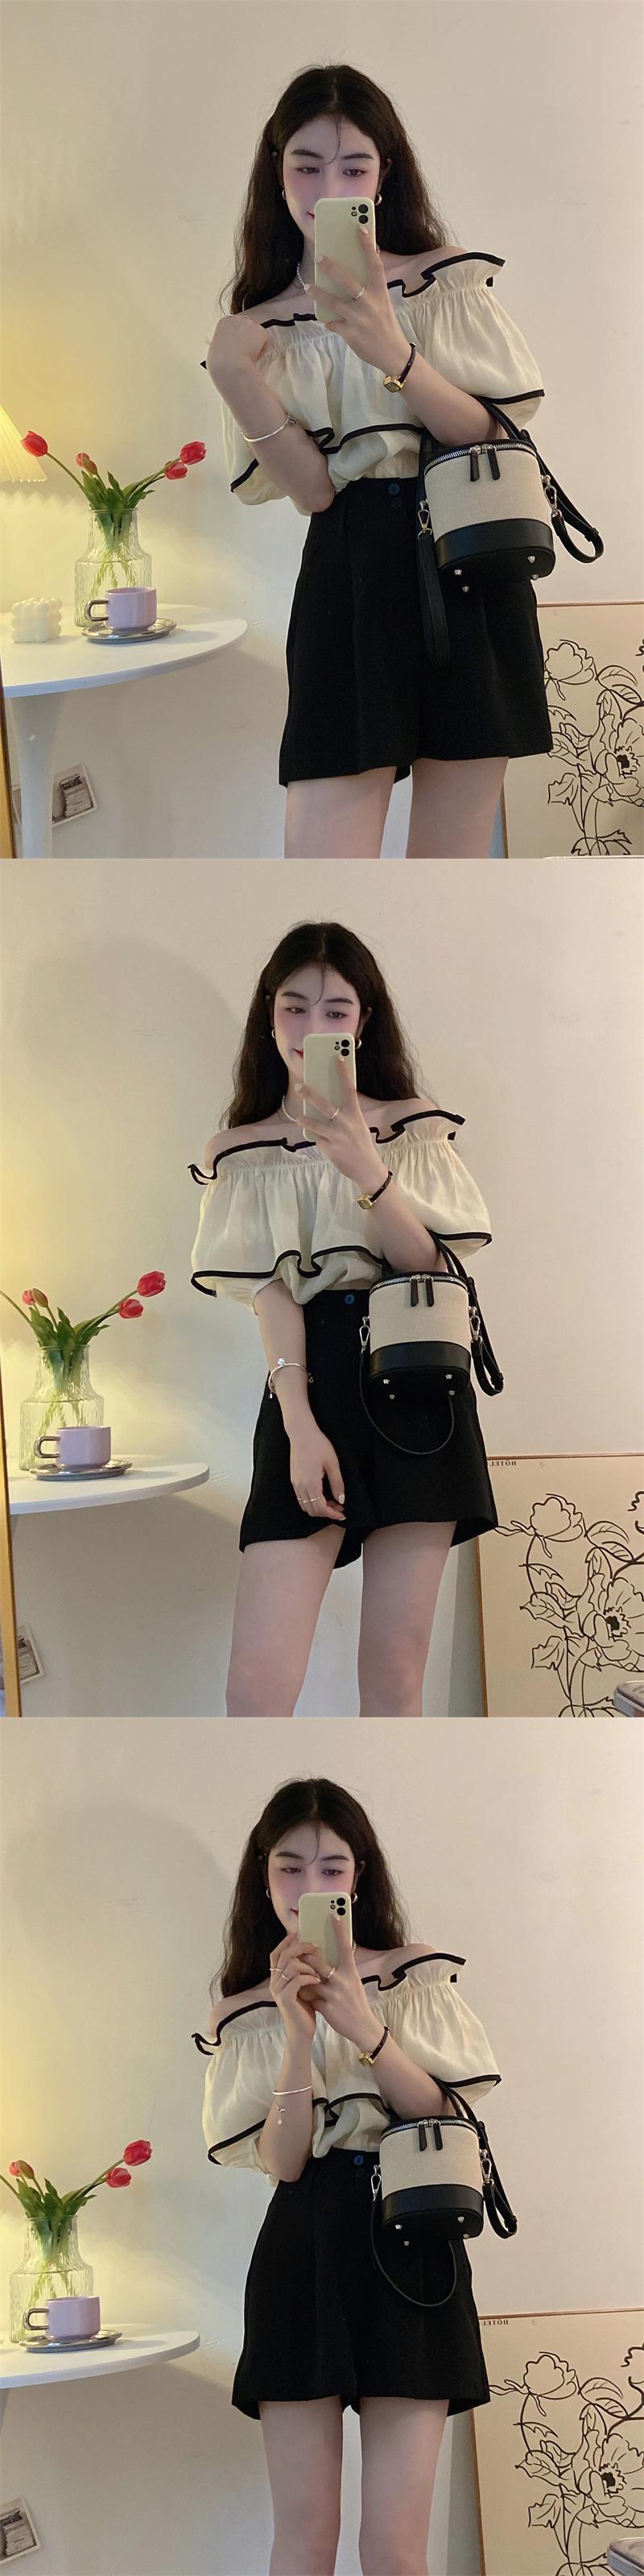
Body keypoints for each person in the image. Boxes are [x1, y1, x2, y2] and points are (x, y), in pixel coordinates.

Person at [204, 61, 552, 859]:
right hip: (347, 574)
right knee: (322, 870)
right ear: (275, 172)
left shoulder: (441, 283)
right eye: (307, 165)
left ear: (384, 174)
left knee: (447, 872)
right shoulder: (261, 331)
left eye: (353, 166)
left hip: (466, 561)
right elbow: (315, 494)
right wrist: (235, 379)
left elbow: (489, 432)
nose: (329, 186)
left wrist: (391, 350)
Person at [194, 1775, 502, 2576]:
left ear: (358, 1876)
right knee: (304, 2542)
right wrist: (297, 2035)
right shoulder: (245, 2012)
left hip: (412, 2235)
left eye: (330, 1868)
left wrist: (363, 2025)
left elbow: (443, 2113)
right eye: (290, 1867)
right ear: (263, 1878)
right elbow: (284, 2163)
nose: (310, 1886)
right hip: (303, 2246)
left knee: (395, 2548)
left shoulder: (412, 1976)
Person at [189, 921, 499, 1717]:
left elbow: (429, 1267)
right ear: (268, 1017)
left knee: (395, 1676)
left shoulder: (410, 1126)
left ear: (363, 1022)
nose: (311, 1027)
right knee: (255, 1691)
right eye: (294, 1007)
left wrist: (367, 1166)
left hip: (414, 1380)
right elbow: (272, 1296)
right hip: (307, 1383)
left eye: (335, 1010)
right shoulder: (242, 1151)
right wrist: (299, 1426)